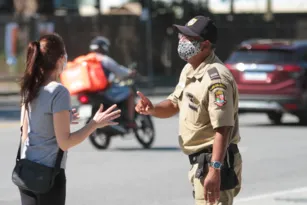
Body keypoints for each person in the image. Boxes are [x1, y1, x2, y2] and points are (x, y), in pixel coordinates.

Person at [135, 16, 242, 205]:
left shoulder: (217, 80)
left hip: (215, 161)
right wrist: (152, 109)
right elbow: (175, 103)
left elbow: (223, 128)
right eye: (182, 36)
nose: (182, 41)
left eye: (189, 38)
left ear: (205, 45)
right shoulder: (190, 69)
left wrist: (215, 169)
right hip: (201, 162)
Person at [18, 33, 121, 205]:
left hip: (26, 172)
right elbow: (65, 142)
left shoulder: (30, 87)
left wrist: (61, 120)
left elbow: (25, 133)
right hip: (48, 175)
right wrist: (94, 124)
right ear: (60, 59)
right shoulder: (58, 91)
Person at [89, 36, 137, 128]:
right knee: (130, 93)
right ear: (104, 47)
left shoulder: (86, 60)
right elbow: (119, 71)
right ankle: (130, 121)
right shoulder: (104, 59)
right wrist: (130, 73)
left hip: (91, 92)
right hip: (105, 91)